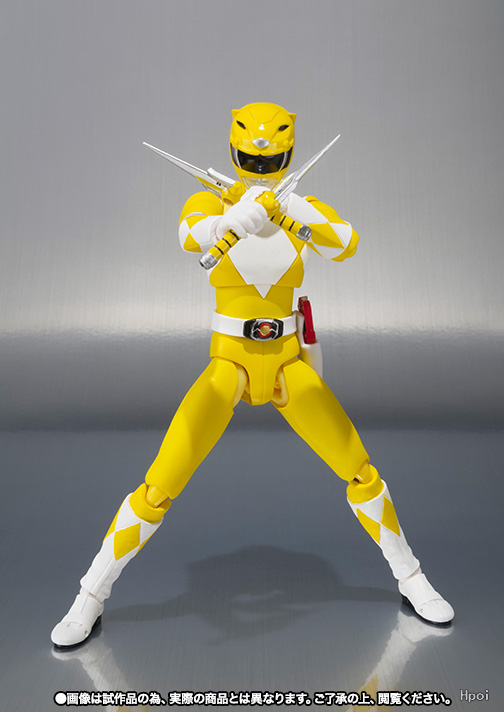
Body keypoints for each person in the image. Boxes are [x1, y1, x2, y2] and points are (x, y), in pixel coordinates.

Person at [51, 102, 453, 648]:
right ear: (234, 152)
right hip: (230, 364)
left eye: (270, 160)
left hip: (287, 362)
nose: (260, 168)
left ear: (288, 155)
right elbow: (190, 234)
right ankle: (89, 595)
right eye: (251, 159)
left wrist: (292, 212)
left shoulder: (301, 206)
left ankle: (412, 577)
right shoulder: (212, 199)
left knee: (360, 471)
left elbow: (346, 242)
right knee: (159, 484)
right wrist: (229, 221)